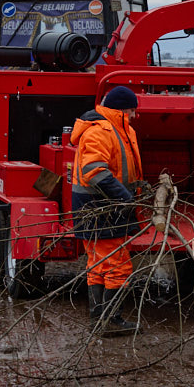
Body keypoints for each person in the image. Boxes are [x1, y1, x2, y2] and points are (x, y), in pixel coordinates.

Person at [70, 85, 144, 334]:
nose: (134, 115)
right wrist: (124, 197)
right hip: (101, 208)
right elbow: (94, 172)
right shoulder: (100, 131)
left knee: (99, 264)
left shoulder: (121, 130)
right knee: (117, 265)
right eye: (132, 110)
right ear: (123, 110)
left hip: (102, 208)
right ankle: (111, 322)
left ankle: (99, 320)